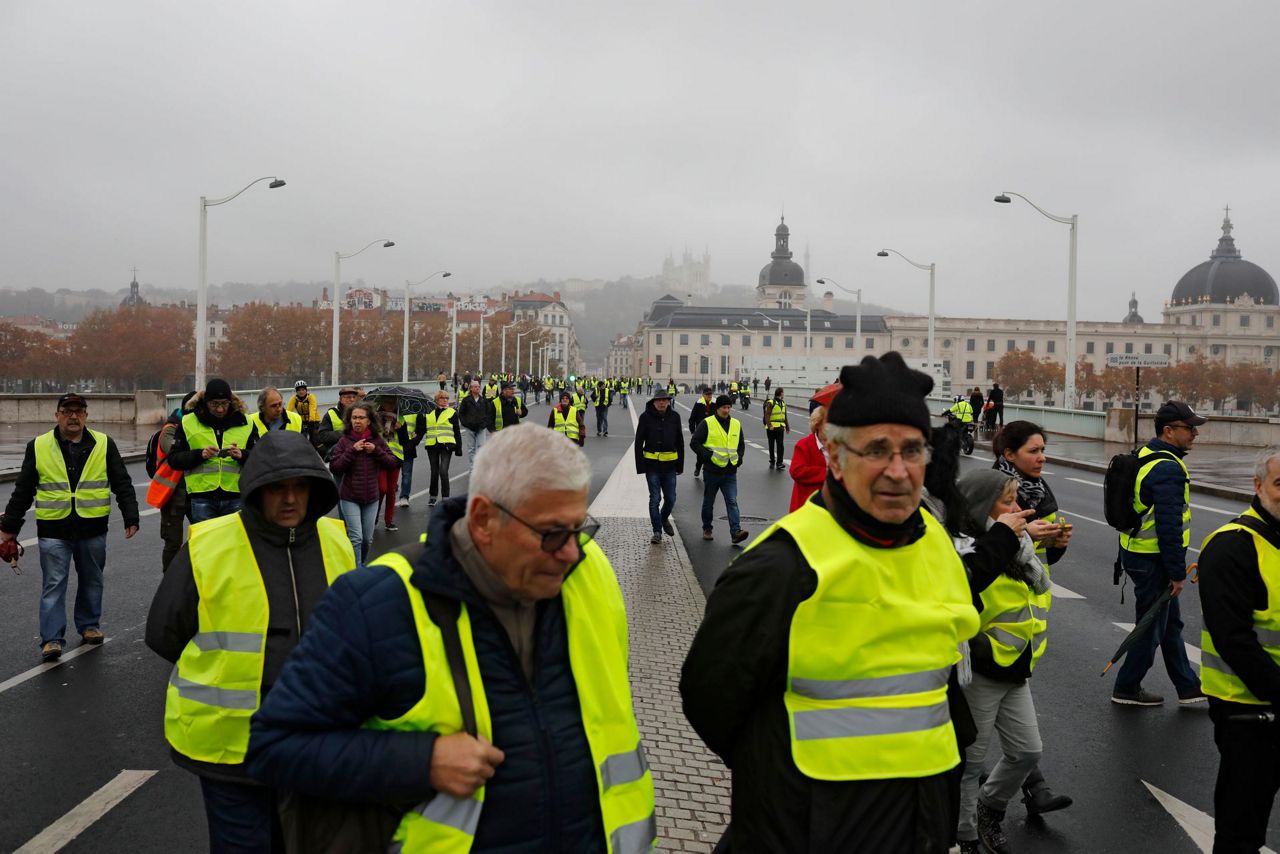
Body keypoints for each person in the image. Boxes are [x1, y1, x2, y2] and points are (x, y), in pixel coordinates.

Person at [246, 424, 656, 852]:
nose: (571, 552)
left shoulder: (592, 574)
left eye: (579, 529)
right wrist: (420, 762)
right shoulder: (379, 604)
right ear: (482, 521)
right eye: (551, 534)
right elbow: (275, 747)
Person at [681, 353, 980, 851]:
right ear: (836, 458)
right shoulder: (780, 566)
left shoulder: (936, 543)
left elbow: (939, 687)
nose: (899, 471)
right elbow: (710, 698)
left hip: (918, 829)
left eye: (913, 450)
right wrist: (784, 786)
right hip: (807, 832)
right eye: (877, 450)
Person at [145, 431, 353, 853]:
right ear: (257, 490)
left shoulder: (336, 539)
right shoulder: (210, 543)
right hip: (231, 748)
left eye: (300, 487)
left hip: (311, 743)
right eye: (278, 488)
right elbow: (165, 632)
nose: (291, 499)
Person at [953, 469, 1058, 854]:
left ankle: (989, 808)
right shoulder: (968, 549)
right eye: (1007, 501)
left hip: (1014, 667)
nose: (1018, 509)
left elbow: (1033, 587)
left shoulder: (1016, 545)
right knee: (970, 764)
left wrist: (1046, 543)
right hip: (979, 670)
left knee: (1027, 751)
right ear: (982, 508)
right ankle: (965, 837)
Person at [1, 392, 140, 662]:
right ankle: (52, 639)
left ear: (86, 416)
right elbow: (24, 489)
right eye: (67, 411)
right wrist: (10, 528)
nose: (73, 416)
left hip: (92, 527)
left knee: (92, 580)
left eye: (78, 411)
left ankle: (89, 626)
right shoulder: (39, 446)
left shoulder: (103, 444)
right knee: (54, 584)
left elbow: (121, 482)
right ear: (57, 416)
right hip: (54, 529)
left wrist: (131, 516)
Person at [990, 420, 1075, 817]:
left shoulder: (1042, 490)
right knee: (993, 710)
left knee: (1009, 703)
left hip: (1031, 605)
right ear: (1009, 455)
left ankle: (1025, 785)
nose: (1042, 457)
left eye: (1044, 450)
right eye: (1033, 451)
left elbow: (1047, 556)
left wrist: (1055, 542)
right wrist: (1022, 537)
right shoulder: (993, 489)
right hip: (995, 615)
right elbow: (977, 550)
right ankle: (980, 815)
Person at [1199, 447, 1280, 853]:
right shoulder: (1232, 546)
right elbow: (1234, 639)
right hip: (1248, 713)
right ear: (1257, 486)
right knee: (1241, 830)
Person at [1112, 400, 1208, 707]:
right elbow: (1169, 527)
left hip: (1137, 552)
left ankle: (1188, 686)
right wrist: (1176, 573)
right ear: (1169, 431)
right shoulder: (1168, 468)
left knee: (1169, 624)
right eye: (1189, 428)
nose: (1194, 434)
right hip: (1152, 559)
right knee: (1151, 625)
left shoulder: (1146, 454)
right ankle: (1126, 687)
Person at [166, 378, 256, 523]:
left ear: (231, 402)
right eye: (214, 404)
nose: (220, 409)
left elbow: (260, 458)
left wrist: (242, 454)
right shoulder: (188, 422)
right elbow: (174, 459)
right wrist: (200, 454)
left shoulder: (247, 422)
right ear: (205, 402)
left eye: (224, 404)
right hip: (201, 498)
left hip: (235, 497)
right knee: (206, 545)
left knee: (232, 544)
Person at [328, 403, 400, 567]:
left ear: (369, 421)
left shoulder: (377, 441)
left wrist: (376, 451)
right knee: (356, 537)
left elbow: (393, 463)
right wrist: (352, 451)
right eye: (354, 418)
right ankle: (357, 569)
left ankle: (362, 562)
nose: (357, 421)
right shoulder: (345, 441)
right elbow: (335, 467)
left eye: (361, 418)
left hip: (371, 498)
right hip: (349, 497)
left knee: (367, 539)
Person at [149, 391, 197, 572]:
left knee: (202, 538)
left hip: (194, 493)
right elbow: (174, 450)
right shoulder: (170, 429)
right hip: (172, 495)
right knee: (172, 543)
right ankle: (169, 582)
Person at [690, 394, 748, 544]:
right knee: (709, 502)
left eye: (729, 407)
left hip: (730, 472)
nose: (727, 410)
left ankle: (736, 532)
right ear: (718, 408)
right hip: (712, 471)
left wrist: (739, 458)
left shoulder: (736, 423)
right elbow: (694, 443)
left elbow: (741, 444)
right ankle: (707, 528)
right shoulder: (707, 423)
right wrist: (707, 456)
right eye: (724, 407)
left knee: (732, 501)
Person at [635, 387, 684, 545]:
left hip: (670, 466)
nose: (662, 403)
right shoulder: (645, 417)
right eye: (659, 400)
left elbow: (680, 442)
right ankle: (657, 531)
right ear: (654, 402)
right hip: (652, 466)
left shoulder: (675, 417)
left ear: (669, 402)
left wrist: (680, 465)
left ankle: (663, 519)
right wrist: (640, 466)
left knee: (671, 499)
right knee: (654, 499)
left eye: (665, 400)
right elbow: (638, 443)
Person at [376, 399, 411, 532]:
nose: (389, 405)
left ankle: (389, 521)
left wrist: (400, 428)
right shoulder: (376, 417)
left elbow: (405, 441)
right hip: (380, 456)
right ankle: (374, 515)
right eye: (387, 402)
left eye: (391, 403)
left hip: (396, 457)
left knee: (391, 491)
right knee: (382, 488)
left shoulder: (400, 418)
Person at [424, 390, 462, 507]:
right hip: (432, 445)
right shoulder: (429, 413)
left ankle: (446, 497)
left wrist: (458, 448)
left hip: (446, 446)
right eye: (442, 398)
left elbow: (457, 431)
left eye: (446, 398)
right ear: (437, 400)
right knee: (434, 472)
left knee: (443, 471)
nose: (445, 400)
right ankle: (433, 496)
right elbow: (422, 428)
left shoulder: (452, 412)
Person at [787, 405, 827, 512]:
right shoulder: (804, 445)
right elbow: (796, 471)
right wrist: (827, 473)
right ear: (817, 424)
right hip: (806, 506)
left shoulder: (840, 447)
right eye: (827, 423)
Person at [315, 386, 359, 462]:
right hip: (338, 454)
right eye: (348, 397)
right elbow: (322, 435)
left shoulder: (362, 412)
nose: (352, 400)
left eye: (354, 397)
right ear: (341, 400)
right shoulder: (331, 414)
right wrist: (345, 433)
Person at [458, 379, 489, 465]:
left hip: (481, 428)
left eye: (478, 387)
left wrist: (484, 424)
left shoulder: (484, 400)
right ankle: (473, 468)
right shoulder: (466, 400)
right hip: (470, 428)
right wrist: (465, 424)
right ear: (471, 388)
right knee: (471, 449)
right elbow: (461, 413)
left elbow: (488, 413)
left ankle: (480, 466)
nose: (477, 388)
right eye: (475, 387)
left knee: (481, 447)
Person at [688, 386, 716, 479]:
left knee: (711, 451)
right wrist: (693, 431)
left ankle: (707, 469)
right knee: (700, 453)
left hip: (713, 433)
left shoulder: (715, 403)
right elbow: (692, 418)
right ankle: (698, 468)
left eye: (710, 394)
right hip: (700, 432)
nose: (709, 396)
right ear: (703, 395)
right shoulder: (698, 404)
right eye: (707, 394)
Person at [763, 387, 790, 471]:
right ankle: (772, 460)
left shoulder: (783, 403)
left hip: (780, 427)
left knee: (780, 445)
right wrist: (770, 425)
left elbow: (785, 416)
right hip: (771, 428)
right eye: (783, 392)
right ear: (781, 393)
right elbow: (767, 415)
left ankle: (779, 463)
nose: (783, 394)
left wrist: (787, 426)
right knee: (771, 445)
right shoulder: (771, 403)